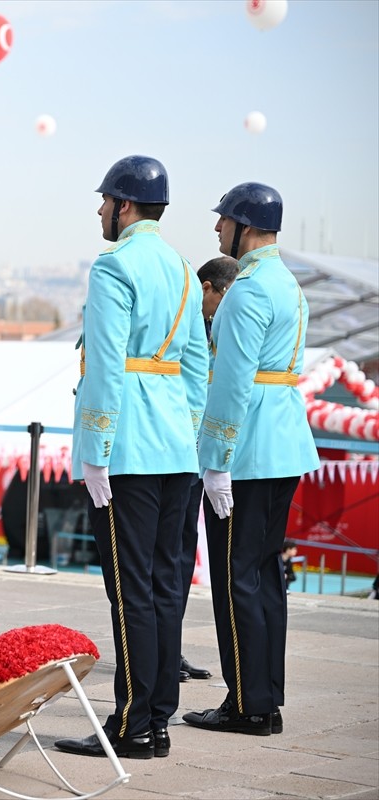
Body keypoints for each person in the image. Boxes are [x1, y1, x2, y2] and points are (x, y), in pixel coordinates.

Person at [55, 156, 207, 761]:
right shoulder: (183, 269)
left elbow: (106, 367)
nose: (99, 211)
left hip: (130, 449)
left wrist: (94, 451)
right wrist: (191, 438)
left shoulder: (114, 266)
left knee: (129, 591)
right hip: (175, 447)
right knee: (166, 587)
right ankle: (158, 720)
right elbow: (197, 368)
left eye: (105, 201)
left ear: (124, 206)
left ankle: (131, 724)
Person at [184, 183, 319, 737]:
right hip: (284, 440)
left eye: (223, 221)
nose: (217, 230)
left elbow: (232, 383)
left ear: (243, 226)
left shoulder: (247, 289)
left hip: (249, 449)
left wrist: (215, 459)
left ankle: (245, 704)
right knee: (264, 575)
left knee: (236, 576)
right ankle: (266, 695)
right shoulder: (289, 284)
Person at [177, 255, 239, 683]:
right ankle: (164, 650)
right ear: (206, 288)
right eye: (221, 298)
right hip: (179, 449)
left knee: (182, 553)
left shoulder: (218, 328)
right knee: (169, 555)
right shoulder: (188, 325)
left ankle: (170, 650)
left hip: (204, 453)